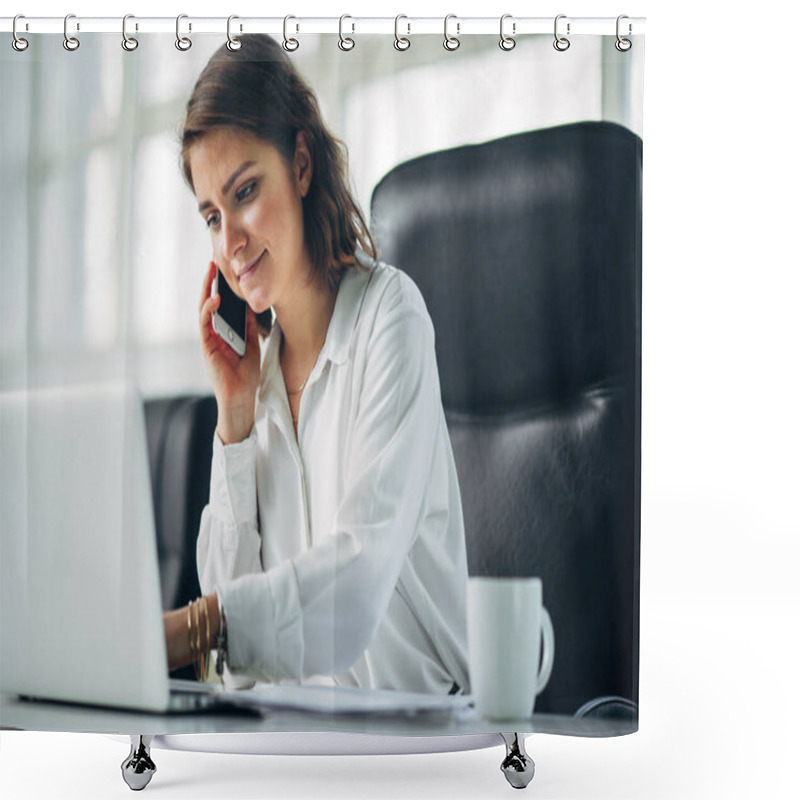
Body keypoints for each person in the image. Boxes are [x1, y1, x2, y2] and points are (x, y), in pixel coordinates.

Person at [162, 34, 469, 695]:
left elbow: (353, 586)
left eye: (245, 191)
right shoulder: (258, 378)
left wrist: (188, 629)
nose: (230, 242)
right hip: (297, 742)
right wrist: (237, 419)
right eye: (212, 215)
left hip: (413, 738)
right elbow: (233, 672)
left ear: (301, 164)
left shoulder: (391, 317)